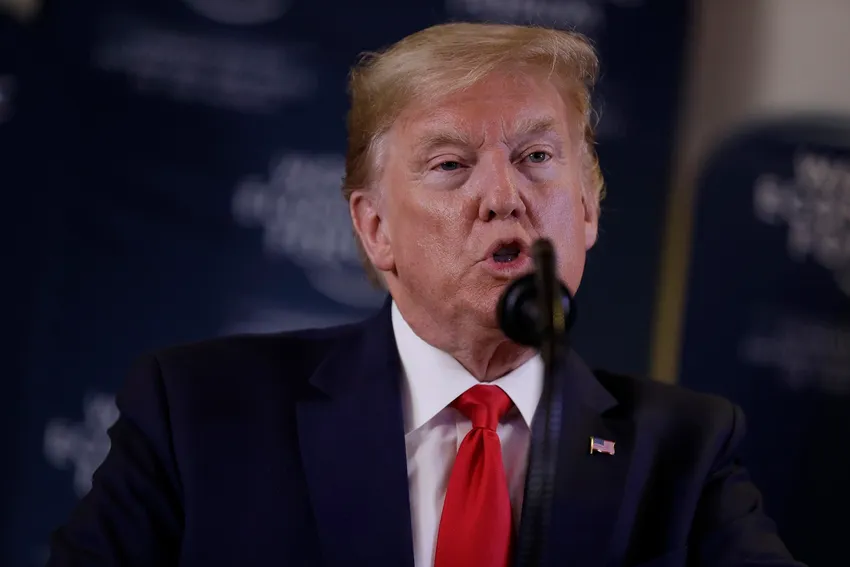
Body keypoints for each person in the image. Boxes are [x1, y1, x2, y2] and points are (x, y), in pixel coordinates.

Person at [47, 22, 803, 567]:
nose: (504, 195)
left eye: (537, 156)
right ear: (375, 230)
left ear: (589, 210)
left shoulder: (684, 453)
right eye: (450, 165)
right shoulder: (198, 411)